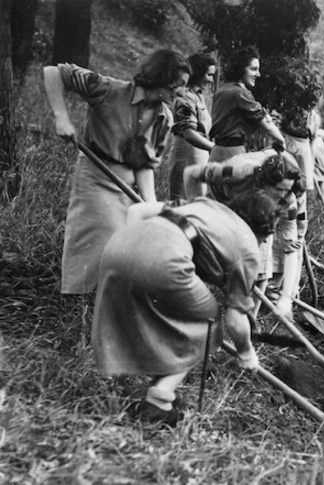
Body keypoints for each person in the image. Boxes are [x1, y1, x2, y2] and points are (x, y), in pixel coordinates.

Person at [92, 190, 281, 426]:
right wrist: (246, 352)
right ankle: (159, 399)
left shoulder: (207, 205)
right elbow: (234, 320)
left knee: (164, 313)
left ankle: (118, 380)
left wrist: (137, 250)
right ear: (264, 230)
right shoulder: (249, 249)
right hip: (165, 258)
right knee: (208, 321)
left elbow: (136, 210)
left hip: (119, 245)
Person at [43, 49, 191, 295]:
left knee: (129, 241)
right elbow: (54, 72)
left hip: (127, 188)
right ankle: (80, 303)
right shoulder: (109, 90)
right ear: (164, 77)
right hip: (95, 178)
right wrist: (61, 117)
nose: (182, 92)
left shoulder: (164, 118)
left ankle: (104, 301)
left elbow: (145, 164)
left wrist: (149, 203)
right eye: (181, 85)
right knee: (107, 239)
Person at [183, 149, 302, 321]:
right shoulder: (238, 171)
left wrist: (285, 299)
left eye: (287, 189)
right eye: (278, 189)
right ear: (264, 182)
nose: (283, 195)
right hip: (223, 198)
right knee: (201, 249)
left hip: (256, 207)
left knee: (261, 264)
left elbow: (291, 249)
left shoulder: (286, 200)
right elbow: (191, 173)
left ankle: (248, 322)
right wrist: (195, 210)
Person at [208, 47, 284, 164]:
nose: (258, 74)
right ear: (240, 69)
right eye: (253, 69)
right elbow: (266, 124)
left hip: (215, 153)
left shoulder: (221, 90)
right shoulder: (240, 93)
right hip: (233, 154)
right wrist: (282, 141)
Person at [167, 52, 216, 200]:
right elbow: (188, 133)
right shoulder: (186, 97)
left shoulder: (199, 96)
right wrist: (214, 148)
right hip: (187, 153)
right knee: (183, 200)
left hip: (199, 153)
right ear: (198, 73)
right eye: (209, 75)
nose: (212, 80)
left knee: (197, 198)